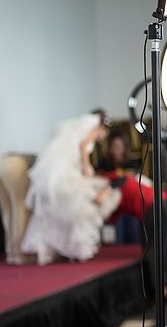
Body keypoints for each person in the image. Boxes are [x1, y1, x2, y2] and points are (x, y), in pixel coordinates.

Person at [22, 111, 121, 264]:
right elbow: (82, 145)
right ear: (102, 128)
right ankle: (76, 249)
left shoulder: (79, 129)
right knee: (81, 206)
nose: (103, 136)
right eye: (105, 132)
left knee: (61, 210)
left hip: (65, 171)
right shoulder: (92, 131)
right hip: (69, 172)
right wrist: (86, 167)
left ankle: (58, 248)